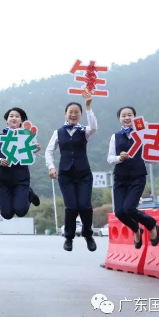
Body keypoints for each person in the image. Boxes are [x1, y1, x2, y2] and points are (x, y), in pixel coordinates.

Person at [45, 92, 98, 252]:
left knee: (85, 206)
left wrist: (88, 106)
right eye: (71, 112)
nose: (73, 115)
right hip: (66, 175)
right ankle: (69, 237)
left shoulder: (85, 131)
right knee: (72, 207)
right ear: (65, 114)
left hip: (84, 174)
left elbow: (94, 127)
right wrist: (51, 167)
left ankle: (88, 235)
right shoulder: (58, 132)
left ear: (81, 115)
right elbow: (49, 151)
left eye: (77, 112)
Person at [107, 106, 159, 248]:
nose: (127, 118)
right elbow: (110, 158)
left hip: (137, 177)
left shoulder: (143, 135)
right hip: (120, 178)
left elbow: (148, 156)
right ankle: (136, 229)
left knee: (129, 209)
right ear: (119, 119)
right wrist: (119, 158)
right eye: (123, 116)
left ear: (135, 117)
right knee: (119, 212)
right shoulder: (115, 137)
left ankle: (151, 225)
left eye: (130, 115)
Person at [0, 107, 41, 221]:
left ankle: (29, 194)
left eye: (17, 116)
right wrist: (0, 161)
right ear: (7, 120)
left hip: (21, 179)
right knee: (6, 214)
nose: (14, 118)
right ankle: (26, 194)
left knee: (20, 211)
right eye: (11, 116)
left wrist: (34, 149)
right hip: (4, 180)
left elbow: (30, 154)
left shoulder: (27, 136)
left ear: (21, 121)